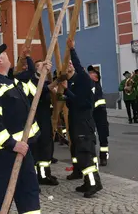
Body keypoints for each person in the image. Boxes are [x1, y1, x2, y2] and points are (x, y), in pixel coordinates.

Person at [0, 44, 41, 214]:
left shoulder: (9, 81)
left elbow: (30, 92)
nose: (8, 56)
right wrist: (12, 144)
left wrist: (38, 74)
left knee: (29, 193)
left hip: (23, 149)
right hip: (4, 155)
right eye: (5, 54)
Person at [60, 38, 103, 198]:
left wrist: (72, 50)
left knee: (85, 155)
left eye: (73, 66)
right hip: (78, 123)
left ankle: (94, 183)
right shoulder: (75, 83)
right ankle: (87, 181)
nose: (71, 67)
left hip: (84, 124)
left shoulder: (84, 80)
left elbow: (78, 102)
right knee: (81, 154)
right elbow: (72, 103)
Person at [16, 51, 59, 186]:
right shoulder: (29, 81)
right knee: (36, 148)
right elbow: (38, 92)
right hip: (35, 118)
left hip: (45, 117)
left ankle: (45, 174)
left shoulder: (44, 80)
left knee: (46, 147)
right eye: (40, 65)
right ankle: (35, 176)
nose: (43, 67)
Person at [88, 65, 110, 166]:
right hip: (91, 114)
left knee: (103, 136)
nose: (89, 75)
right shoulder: (88, 86)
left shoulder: (97, 85)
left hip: (100, 113)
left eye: (92, 73)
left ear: (96, 77)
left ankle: (103, 156)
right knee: (90, 136)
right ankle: (91, 157)